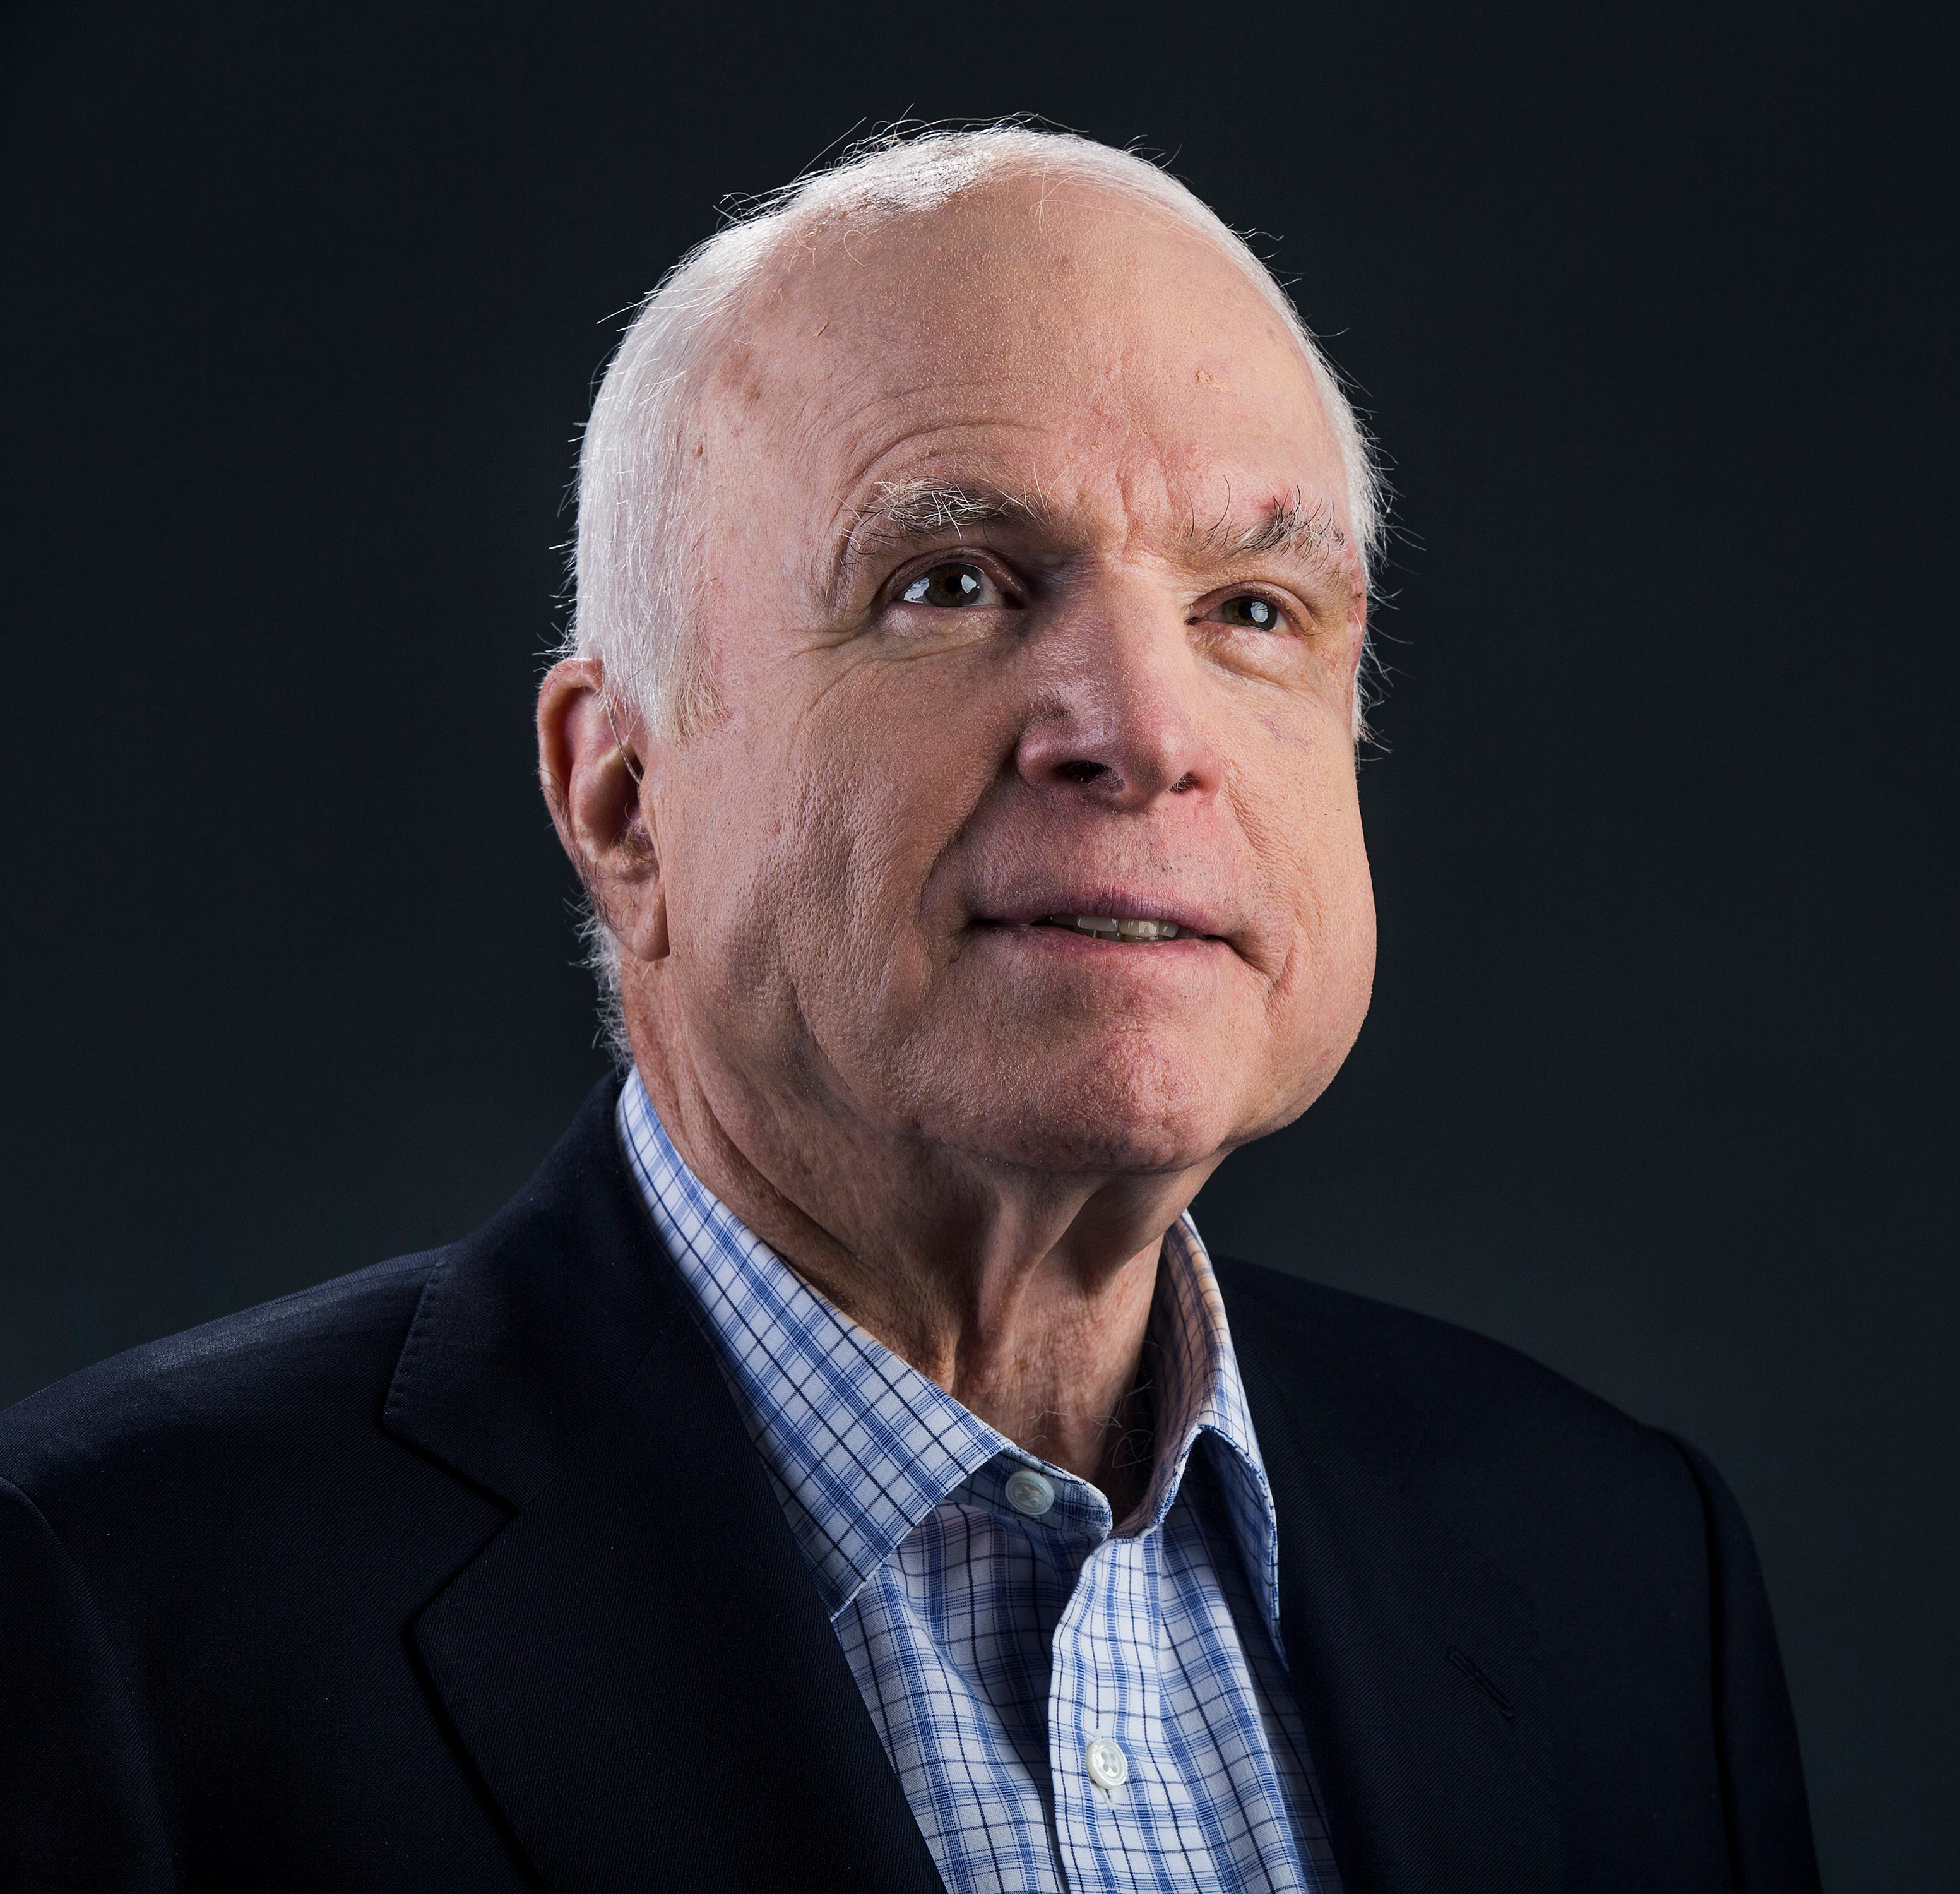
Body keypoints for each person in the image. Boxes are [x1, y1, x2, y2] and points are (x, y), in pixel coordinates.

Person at [0, 128, 1821, 1893]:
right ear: (622, 797)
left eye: (1253, 608)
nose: (1145, 728)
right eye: (949, 585)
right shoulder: (103, 1607)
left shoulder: (1618, 1567)